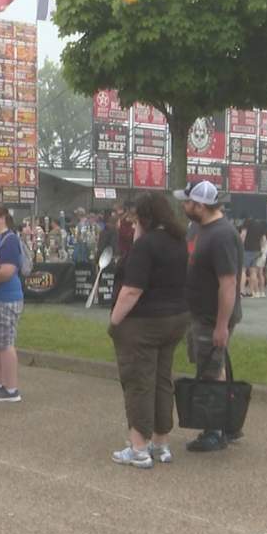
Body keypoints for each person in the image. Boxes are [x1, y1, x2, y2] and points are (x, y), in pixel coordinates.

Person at [107, 192, 190, 469]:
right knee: (162, 380)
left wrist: (115, 321)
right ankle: (161, 442)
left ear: (143, 217)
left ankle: (138, 447)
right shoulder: (179, 241)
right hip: (175, 318)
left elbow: (132, 290)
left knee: (138, 381)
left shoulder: (145, 246)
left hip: (144, 322)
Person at [175, 181, 243, 452]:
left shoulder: (222, 235)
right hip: (199, 313)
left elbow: (228, 283)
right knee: (213, 367)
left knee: (210, 372)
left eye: (187, 202)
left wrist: (221, 326)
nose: (184, 206)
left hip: (212, 316)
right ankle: (227, 422)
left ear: (200, 206)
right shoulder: (198, 229)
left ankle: (214, 430)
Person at [0, 204, 24, 403]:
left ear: (2, 218)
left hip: (6, 298)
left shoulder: (9, 240)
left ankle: (11, 388)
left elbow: (8, 271)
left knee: (5, 344)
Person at [241, 215, 267, 298]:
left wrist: (240, 246)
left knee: (243, 270)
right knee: (253, 272)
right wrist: (262, 249)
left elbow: (243, 235)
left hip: (246, 249)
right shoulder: (260, 225)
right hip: (257, 250)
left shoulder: (246, 223)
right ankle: (252, 292)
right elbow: (264, 239)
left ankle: (242, 291)